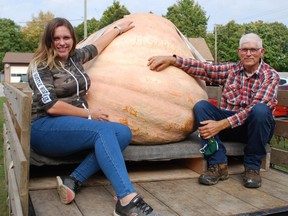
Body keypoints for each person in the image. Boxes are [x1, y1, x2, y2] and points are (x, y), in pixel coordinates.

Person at [28, 17, 162, 216]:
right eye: (56, 38)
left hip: (74, 125)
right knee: (104, 129)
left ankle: (73, 180)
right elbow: (52, 106)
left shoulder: (75, 58)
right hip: (45, 128)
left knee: (123, 133)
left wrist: (118, 29)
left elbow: (97, 46)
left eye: (66, 37)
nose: (62, 42)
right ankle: (127, 199)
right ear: (48, 40)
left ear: (73, 39)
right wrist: (89, 113)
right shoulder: (40, 66)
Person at [147, 33, 279, 188]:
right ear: (239, 52)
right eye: (244, 50)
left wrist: (220, 124)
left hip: (255, 130)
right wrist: (173, 60)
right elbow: (204, 68)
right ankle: (217, 164)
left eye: (253, 49)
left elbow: (253, 110)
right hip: (231, 128)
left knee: (261, 111)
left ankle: (252, 167)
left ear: (261, 52)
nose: (248, 53)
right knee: (201, 106)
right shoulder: (231, 70)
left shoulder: (270, 76)